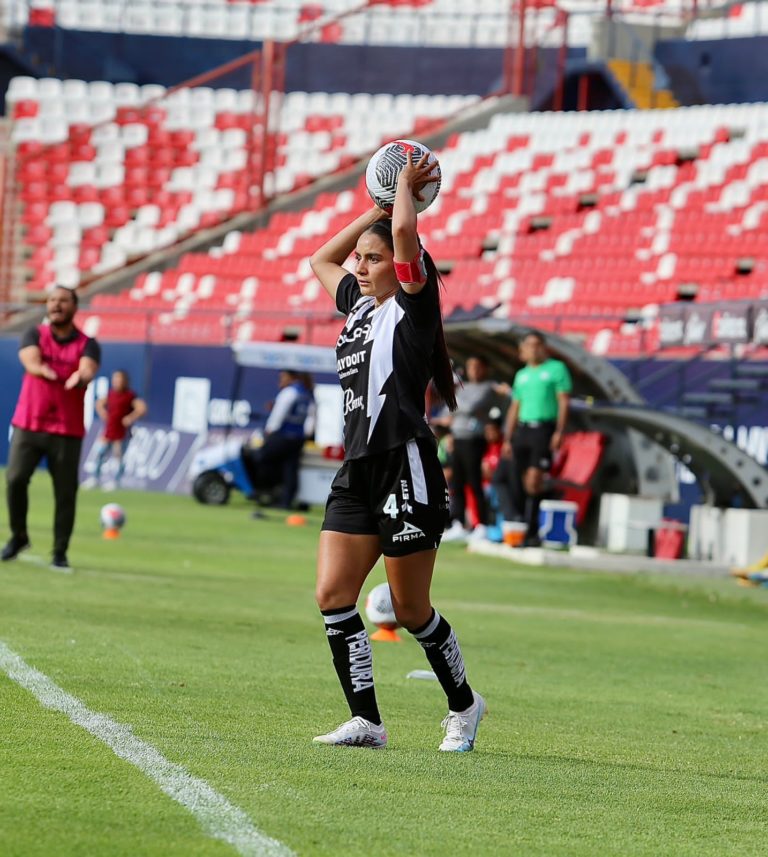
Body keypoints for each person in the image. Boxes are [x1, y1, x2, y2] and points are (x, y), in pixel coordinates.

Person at [308, 151, 485, 752]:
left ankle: (464, 705)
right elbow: (319, 259)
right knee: (334, 596)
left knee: (412, 610)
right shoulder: (357, 306)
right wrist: (373, 211)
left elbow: (407, 234)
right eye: (361, 258)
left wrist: (401, 196)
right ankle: (367, 721)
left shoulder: (411, 307)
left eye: (373, 259)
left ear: (405, 268)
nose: (359, 266)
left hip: (404, 464)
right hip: (358, 468)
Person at [2, 286, 100, 570]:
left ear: (74, 307)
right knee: (16, 479)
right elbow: (31, 362)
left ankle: (60, 550)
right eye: (52, 300)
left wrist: (80, 378)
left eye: (63, 301)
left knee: (65, 492)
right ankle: (19, 535)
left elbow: (87, 369)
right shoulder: (35, 334)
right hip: (29, 423)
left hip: (66, 430)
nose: (56, 305)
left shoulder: (87, 343)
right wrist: (46, 371)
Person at [496, 331, 572, 547]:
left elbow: (564, 401)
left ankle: (532, 529)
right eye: (529, 345)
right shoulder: (522, 374)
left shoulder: (557, 369)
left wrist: (559, 431)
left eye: (537, 345)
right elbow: (515, 406)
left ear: (544, 347)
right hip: (523, 430)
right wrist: (507, 438)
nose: (533, 349)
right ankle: (520, 527)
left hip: (544, 429)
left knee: (534, 480)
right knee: (516, 480)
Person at [442, 356, 508, 543]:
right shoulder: (463, 388)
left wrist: (455, 404)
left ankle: (482, 525)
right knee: (457, 483)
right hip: (458, 438)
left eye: (478, 367)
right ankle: (459, 523)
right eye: (471, 367)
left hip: (474, 439)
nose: (474, 370)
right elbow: (449, 409)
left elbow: (471, 407)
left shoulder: (488, 388)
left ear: (485, 368)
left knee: (474, 482)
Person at [241, 369, 315, 510]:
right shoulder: (306, 393)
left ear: (291, 377)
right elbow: (311, 419)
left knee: (260, 456)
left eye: (283, 377)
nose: (280, 380)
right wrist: (304, 435)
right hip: (298, 439)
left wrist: (269, 432)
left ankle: (263, 491)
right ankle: (285, 501)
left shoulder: (289, 393)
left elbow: (278, 416)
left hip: (282, 435)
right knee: (290, 469)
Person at [83, 369, 147, 490]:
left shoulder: (130, 395)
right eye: (115, 379)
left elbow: (142, 408)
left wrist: (130, 417)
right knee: (100, 454)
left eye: (119, 379)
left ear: (125, 381)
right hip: (108, 431)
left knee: (119, 457)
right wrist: (103, 413)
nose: (117, 382)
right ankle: (95, 478)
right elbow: (99, 403)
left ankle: (117, 481)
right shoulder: (110, 394)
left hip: (121, 433)